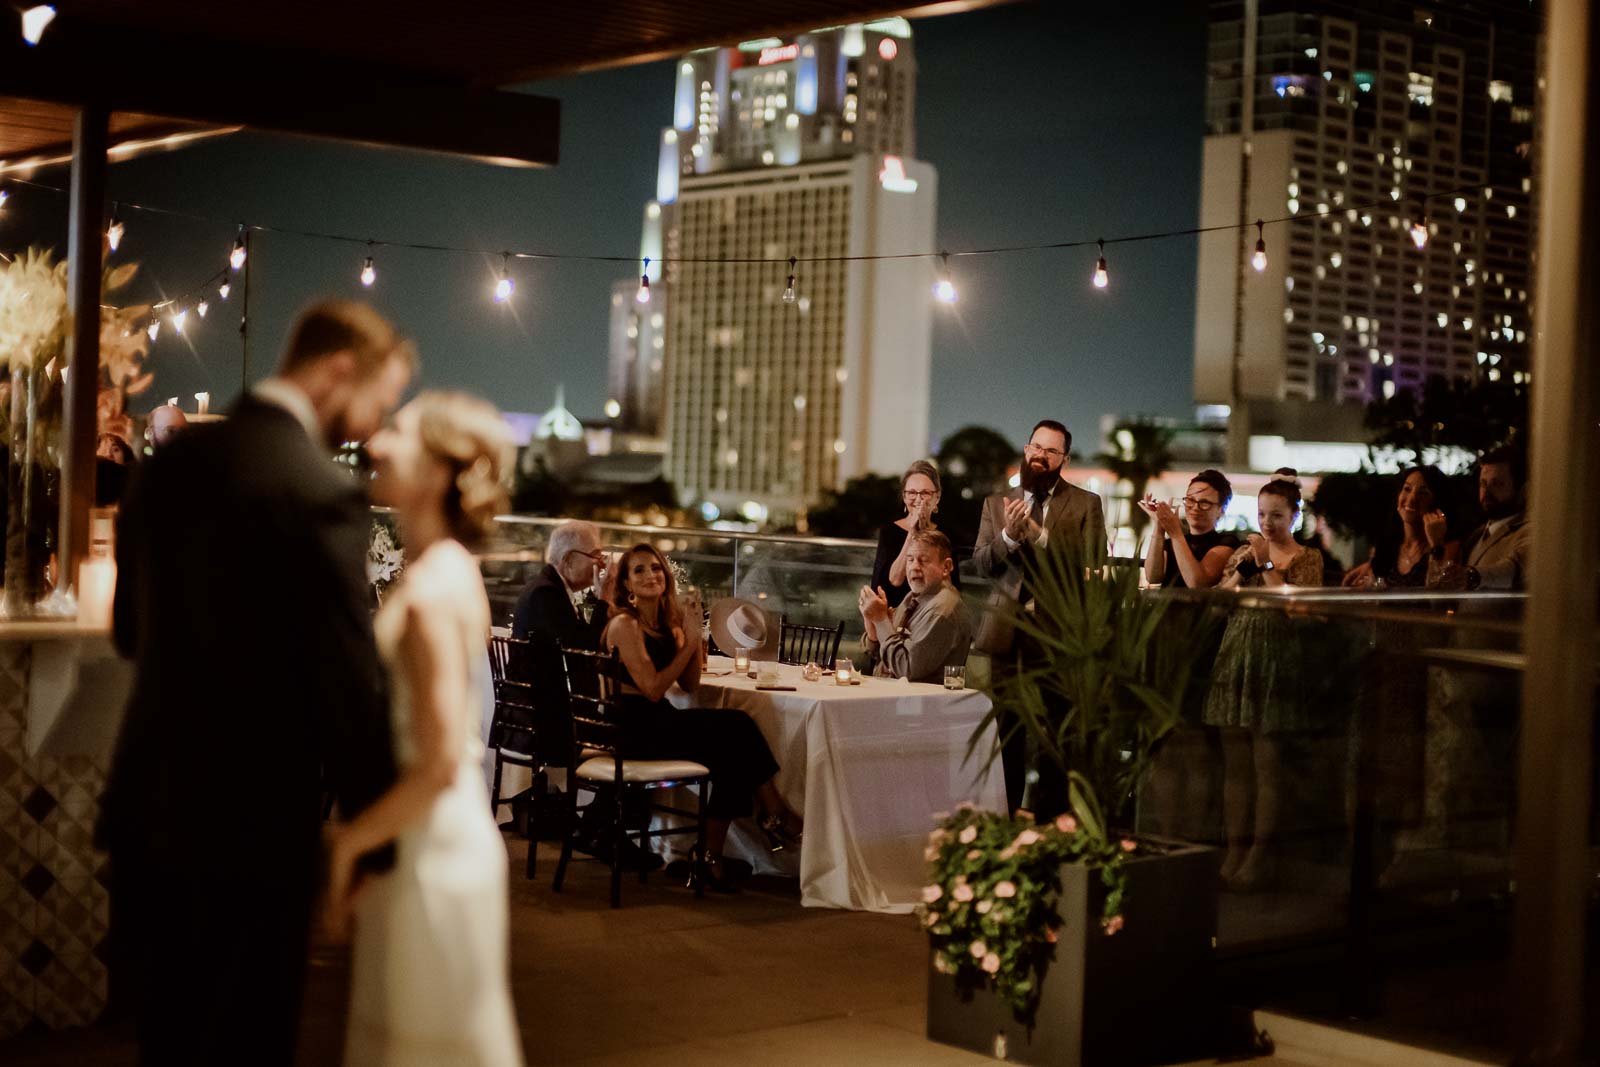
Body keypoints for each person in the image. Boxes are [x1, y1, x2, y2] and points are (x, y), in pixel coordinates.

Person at [102, 300, 413, 1062]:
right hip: (250, 830)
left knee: (169, 1036)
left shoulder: (167, 467)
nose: (375, 424)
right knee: (247, 1039)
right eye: (381, 398)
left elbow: (128, 632)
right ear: (338, 367)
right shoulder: (317, 489)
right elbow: (347, 682)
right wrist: (372, 844)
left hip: (152, 808)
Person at [326, 391, 523, 1065]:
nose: (377, 443)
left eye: (400, 433)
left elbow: (439, 760)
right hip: (419, 842)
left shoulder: (436, 587)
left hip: (434, 857)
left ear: (439, 471)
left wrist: (351, 843)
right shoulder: (440, 569)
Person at [602, 543, 802, 889]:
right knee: (736, 727)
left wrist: (692, 637)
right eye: (639, 571)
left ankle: (712, 855)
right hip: (631, 727)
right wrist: (691, 639)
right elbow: (651, 689)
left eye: (656, 568)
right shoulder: (624, 624)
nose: (651, 575)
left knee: (732, 750)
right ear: (626, 586)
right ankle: (769, 814)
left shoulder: (663, 623)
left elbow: (690, 683)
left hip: (656, 720)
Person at [972, 418, 1107, 813]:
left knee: (1055, 738)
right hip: (1006, 633)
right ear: (1026, 449)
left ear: (1063, 458)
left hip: (1057, 636)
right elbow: (981, 564)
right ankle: (1006, 819)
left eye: (1050, 451)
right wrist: (1010, 537)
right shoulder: (997, 503)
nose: (1040, 456)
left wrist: (1038, 535)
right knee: (1006, 735)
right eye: (1036, 447)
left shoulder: (1085, 504)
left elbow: (1093, 563)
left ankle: (1052, 826)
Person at [1203, 477, 1324, 890]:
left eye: (1276, 515)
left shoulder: (1308, 558)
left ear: (1294, 515)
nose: (1267, 524)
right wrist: (1238, 575)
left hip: (1276, 658)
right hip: (1237, 654)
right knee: (1235, 766)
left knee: (1266, 765)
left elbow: (1295, 609)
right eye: (1261, 515)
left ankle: (1261, 853)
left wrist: (1268, 564)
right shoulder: (1243, 552)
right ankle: (1235, 849)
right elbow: (1217, 606)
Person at [858, 529, 973, 683]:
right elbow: (884, 653)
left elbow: (905, 669)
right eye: (910, 560)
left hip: (921, 704)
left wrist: (881, 620)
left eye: (923, 560)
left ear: (946, 567)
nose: (914, 567)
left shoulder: (942, 610)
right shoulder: (913, 597)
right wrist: (873, 628)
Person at [1427, 445, 1530, 591]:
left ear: (1523, 490)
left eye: (1497, 484)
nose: (1487, 492)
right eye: (1483, 483)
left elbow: (1511, 569)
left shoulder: (1530, 532)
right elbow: (1437, 593)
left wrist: (1470, 576)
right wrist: (1437, 546)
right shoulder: (1474, 536)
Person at [1342, 466, 1461, 589]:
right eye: (1407, 489)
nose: (1411, 499)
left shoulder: (1448, 546)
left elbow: (1438, 598)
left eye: (1423, 493)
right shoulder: (1387, 546)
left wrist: (1436, 545)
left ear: (1437, 503)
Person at [871, 459, 961, 609]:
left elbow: (952, 588)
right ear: (904, 497)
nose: (918, 499)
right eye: (912, 493)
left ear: (936, 497)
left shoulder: (946, 534)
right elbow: (893, 581)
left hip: (932, 616)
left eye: (925, 493)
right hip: (896, 614)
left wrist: (926, 531)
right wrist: (912, 533)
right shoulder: (889, 532)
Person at [1138, 468, 1240, 588]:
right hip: (1166, 606)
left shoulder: (1226, 542)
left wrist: (1176, 533)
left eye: (1204, 503)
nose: (1195, 508)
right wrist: (1159, 526)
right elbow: (1152, 576)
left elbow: (1197, 583)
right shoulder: (1173, 542)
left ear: (1221, 510)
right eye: (1190, 500)